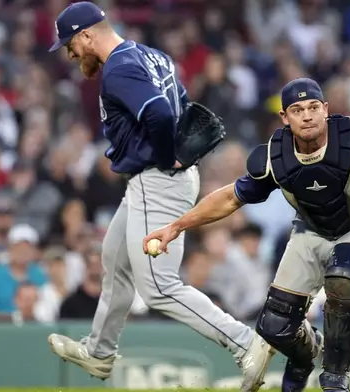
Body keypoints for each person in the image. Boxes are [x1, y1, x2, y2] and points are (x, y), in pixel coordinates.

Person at [144, 78, 350, 392]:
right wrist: (176, 226)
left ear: (325, 110)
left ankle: (335, 377)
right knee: (274, 327)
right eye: (297, 109)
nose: (307, 115)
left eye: (314, 107)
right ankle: (305, 354)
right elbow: (230, 197)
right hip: (310, 228)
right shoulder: (275, 158)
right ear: (285, 117)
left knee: (343, 280)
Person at [45, 3, 273, 390]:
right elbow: (183, 106)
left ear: (87, 35)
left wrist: (169, 158)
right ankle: (100, 351)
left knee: (158, 287)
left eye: (71, 43)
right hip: (151, 180)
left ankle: (246, 342)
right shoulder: (152, 55)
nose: (70, 52)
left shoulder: (118, 68)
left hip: (158, 179)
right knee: (115, 260)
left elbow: (163, 116)